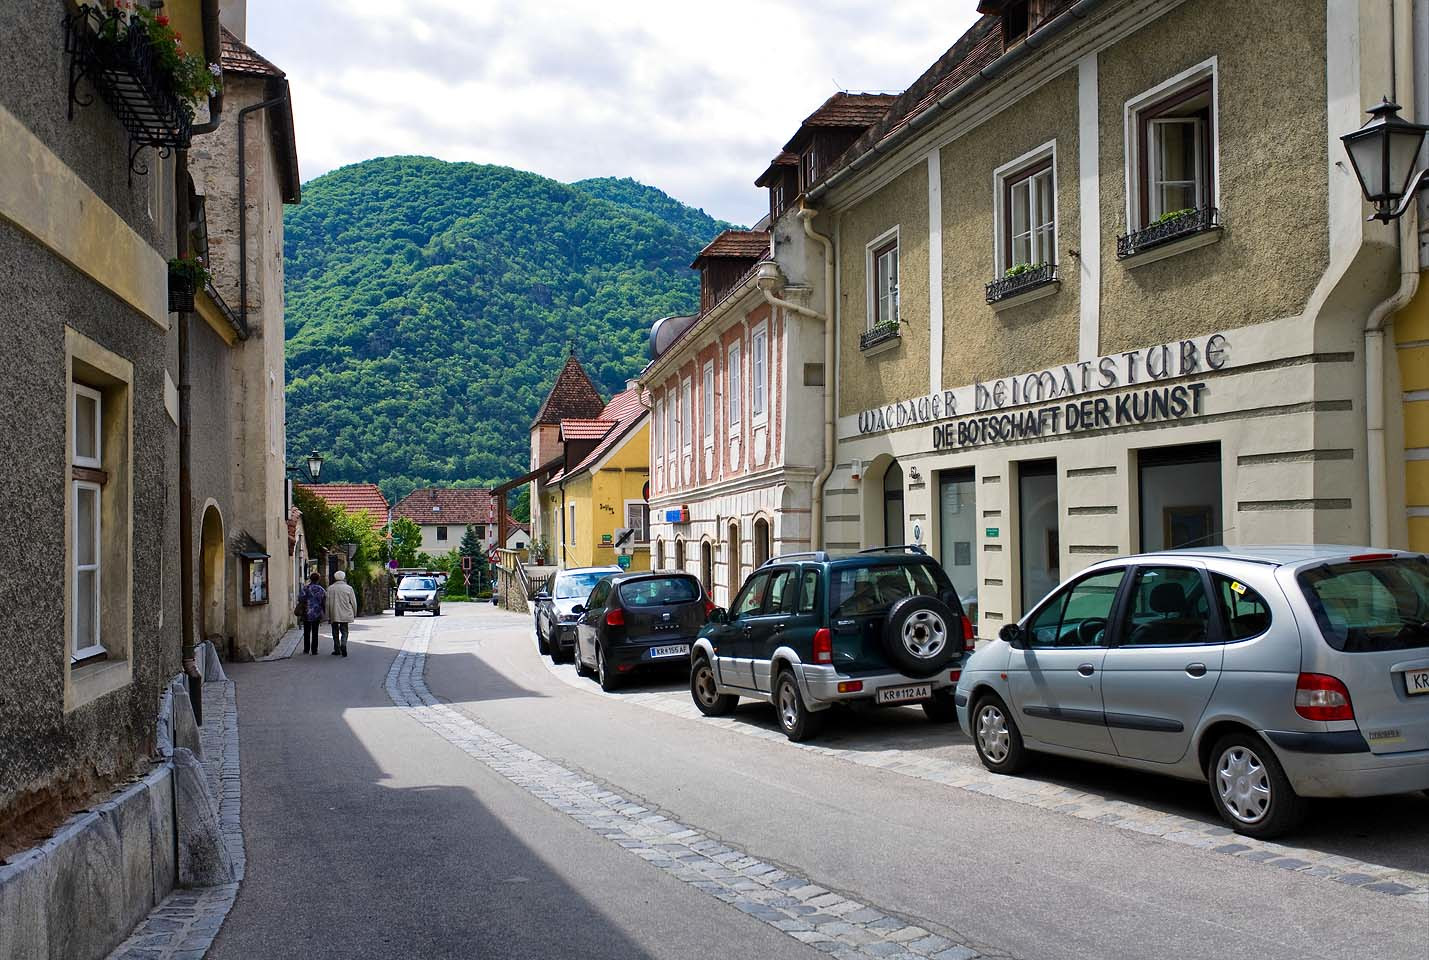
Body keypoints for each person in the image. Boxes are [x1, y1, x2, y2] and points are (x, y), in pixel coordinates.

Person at [326, 569, 358, 657]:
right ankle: (343, 644)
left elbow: (327, 603)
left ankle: (337, 649)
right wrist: (354, 612)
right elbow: (353, 602)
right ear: (344, 578)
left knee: (335, 631)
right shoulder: (349, 588)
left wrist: (328, 615)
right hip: (345, 612)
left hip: (334, 612)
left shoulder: (330, 588)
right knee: (344, 631)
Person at [298, 572, 325, 656]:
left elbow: (300, 598)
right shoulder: (321, 589)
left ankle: (306, 649)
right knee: (315, 632)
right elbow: (323, 600)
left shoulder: (306, 588)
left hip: (307, 612)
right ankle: (314, 650)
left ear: (310, 579)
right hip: (316, 612)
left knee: (306, 631)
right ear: (318, 579)